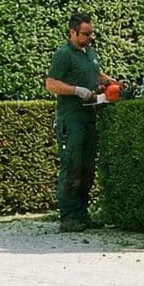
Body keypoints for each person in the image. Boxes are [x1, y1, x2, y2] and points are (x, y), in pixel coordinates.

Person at [45, 12, 119, 233]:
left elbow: (95, 73)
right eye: (85, 34)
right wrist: (76, 90)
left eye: (90, 33)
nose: (89, 37)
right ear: (72, 32)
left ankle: (82, 213)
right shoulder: (63, 54)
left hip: (89, 116)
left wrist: (109, 82)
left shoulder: (89, 52)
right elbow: (51, 83)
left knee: (87, 167)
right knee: (73, 166)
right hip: (71, 118)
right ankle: (68, 216)